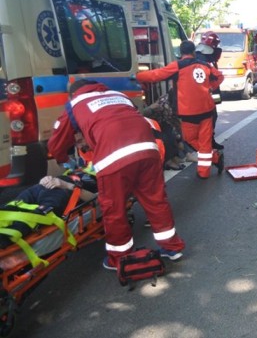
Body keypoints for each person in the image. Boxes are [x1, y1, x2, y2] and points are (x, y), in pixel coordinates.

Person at [47, 79, 186, 270]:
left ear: (72, 94)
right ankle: (172, 247)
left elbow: (56, 144)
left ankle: (119, 257)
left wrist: (63, 159)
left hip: (114, 157)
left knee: (114, 209)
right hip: (148, 149)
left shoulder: (75, 105)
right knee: (156, 200)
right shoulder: (119, 96)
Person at [136, 40, 224, 179]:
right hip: (207, 109)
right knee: (204, 142)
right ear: (194, 52)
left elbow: (156, 75)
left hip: (189, 112)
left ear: (181, 53)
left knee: (190, 140)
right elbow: (219, 76)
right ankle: (206, 170)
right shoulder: (205, 65)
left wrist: (137, 76)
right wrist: (210, 87)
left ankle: (214, 159)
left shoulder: (178, 66)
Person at [195, 31, 225, 150]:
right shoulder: (203, 58)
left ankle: (209, 140)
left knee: (212, 117)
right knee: (209, 119)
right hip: (206, 95)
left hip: (209, 94)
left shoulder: (203, 55)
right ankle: (207, 142)